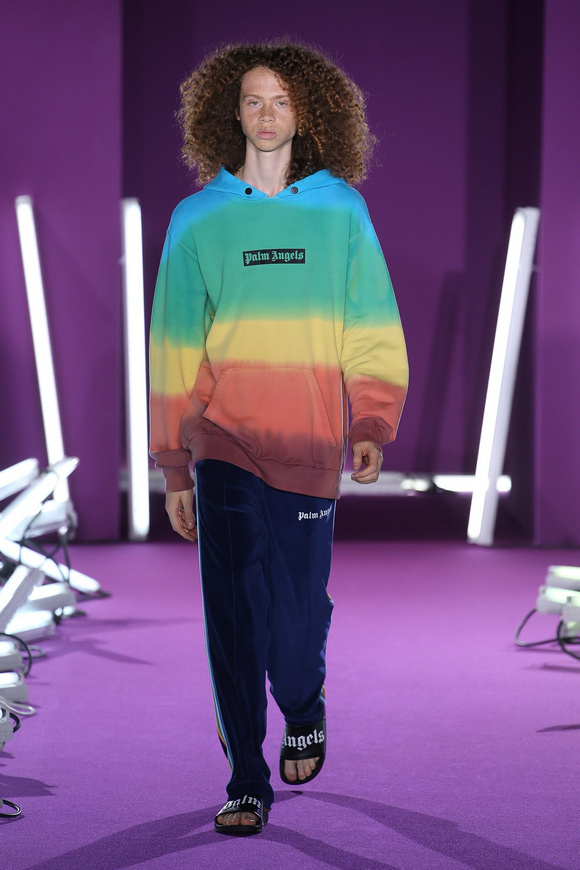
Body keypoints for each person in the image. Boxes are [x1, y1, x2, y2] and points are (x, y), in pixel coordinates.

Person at [149, 41, 408, 836]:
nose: (267, 115)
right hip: (223, 441)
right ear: (231, 112)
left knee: (296, 615)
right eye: (254, 100)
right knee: (234, 612)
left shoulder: (341, 211)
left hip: (310, 442)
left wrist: (371, 419)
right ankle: (245, 778)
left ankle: (303, 701)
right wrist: (173, 464)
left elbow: (369, 323)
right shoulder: (197, 218)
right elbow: (173, 345)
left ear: (308, 113)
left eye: (283, 101)